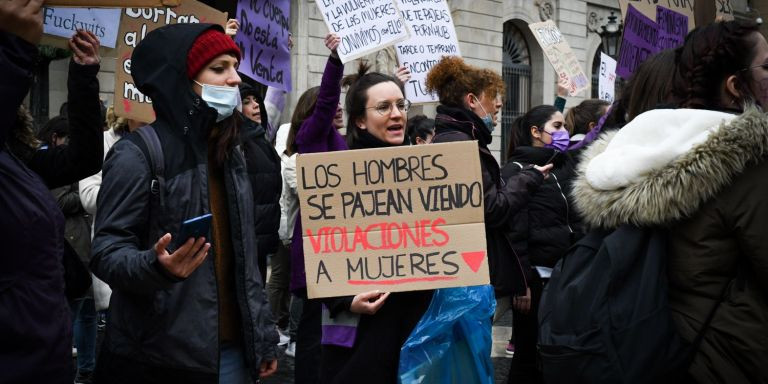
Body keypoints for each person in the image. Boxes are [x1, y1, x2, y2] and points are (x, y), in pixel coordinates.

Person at [571, 19, 768, 383]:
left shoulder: (630, 158)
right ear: (735, 86)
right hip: (726, 360)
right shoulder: (748, 167)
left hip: (644, 351)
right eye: (766, 67)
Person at [90, 23, 278, 383]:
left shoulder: (233, 153)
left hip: (234, 355)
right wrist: (156, 267)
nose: (235, 80)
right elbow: (106, 251)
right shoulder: (138, 154)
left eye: (234, 67)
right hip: (162, 359)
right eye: (219, 68)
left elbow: (246, 261)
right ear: (182, 79)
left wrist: (263, 338)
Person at [0, 3, 103, 381]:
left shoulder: (17, 155)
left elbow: (84, 158)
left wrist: (83, 75)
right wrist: (14, 42)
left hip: (41, 355)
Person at [425, 56, 550, 312]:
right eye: (492, 96)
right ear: (472, 101)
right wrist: (530, 178)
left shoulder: (461, 139)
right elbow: (490, 208)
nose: (499, 103)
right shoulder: (459, 144)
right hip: (468, 276)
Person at [501, 104, 584, 383]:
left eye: (565, 126)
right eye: (557, 127)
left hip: (567, 274)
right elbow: (514, 231)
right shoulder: (517, 171)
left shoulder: (564, 166)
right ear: (536, 132)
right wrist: (522, 280)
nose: (564, 132)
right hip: (536, 279)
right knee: (527, 355)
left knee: (557, 353)